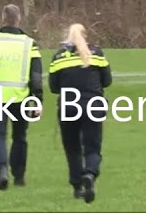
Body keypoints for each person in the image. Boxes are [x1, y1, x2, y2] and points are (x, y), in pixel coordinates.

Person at [0, 4, 43, 190]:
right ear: (18, 19)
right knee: (20, 136)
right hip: (20, 98)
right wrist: (37, 99)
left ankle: (2, 169)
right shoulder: (29, 43)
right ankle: (19, 176)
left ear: (3, 19)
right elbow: (36, 76)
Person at [48, 23, 111, 203]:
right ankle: (90, 174)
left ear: (68, 36)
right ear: (85, 35)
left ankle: (77, 186)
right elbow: (107, 81)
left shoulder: (59, 56)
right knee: (92, 147)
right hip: (93, 105)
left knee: (72, 148)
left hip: (68, 106)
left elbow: (53, 87)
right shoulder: (97, 53)